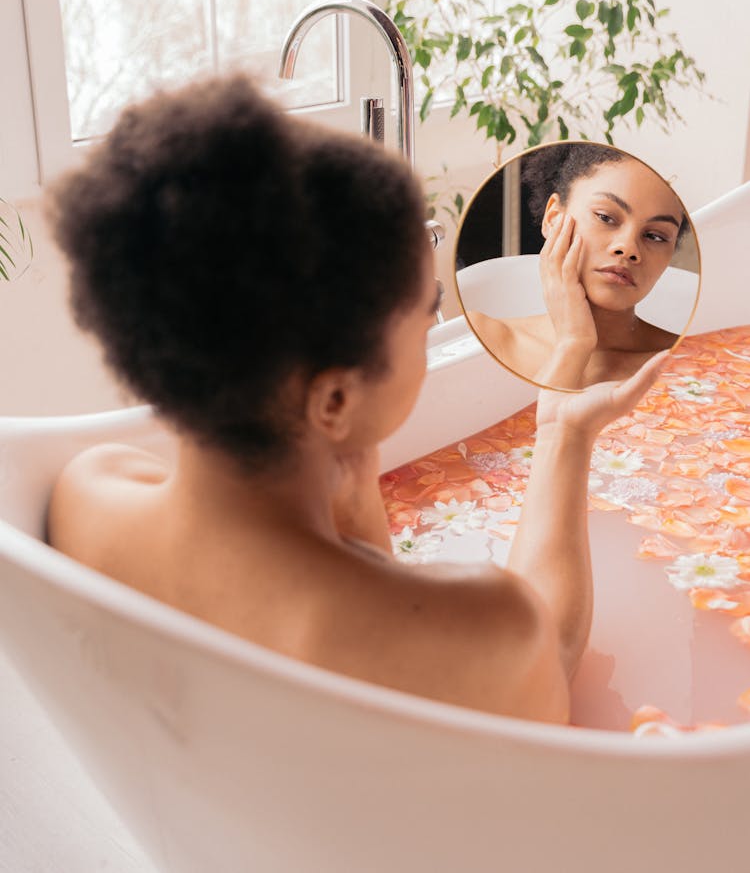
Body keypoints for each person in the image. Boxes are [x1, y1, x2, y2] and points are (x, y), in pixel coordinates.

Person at [46, 75, 668, 724]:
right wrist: (564, 431)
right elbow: (551, 661)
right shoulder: (485, 625)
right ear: (335, 400)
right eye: (427, 312)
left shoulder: (87, 492)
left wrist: (350, 478)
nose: (436, 325)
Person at [467, 144, 688, 389]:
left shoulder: (689, 362)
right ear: (553, 218)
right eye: (605, 217)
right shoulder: (480, 336)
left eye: (656, 236)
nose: (628, 248)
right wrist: (574, 343)